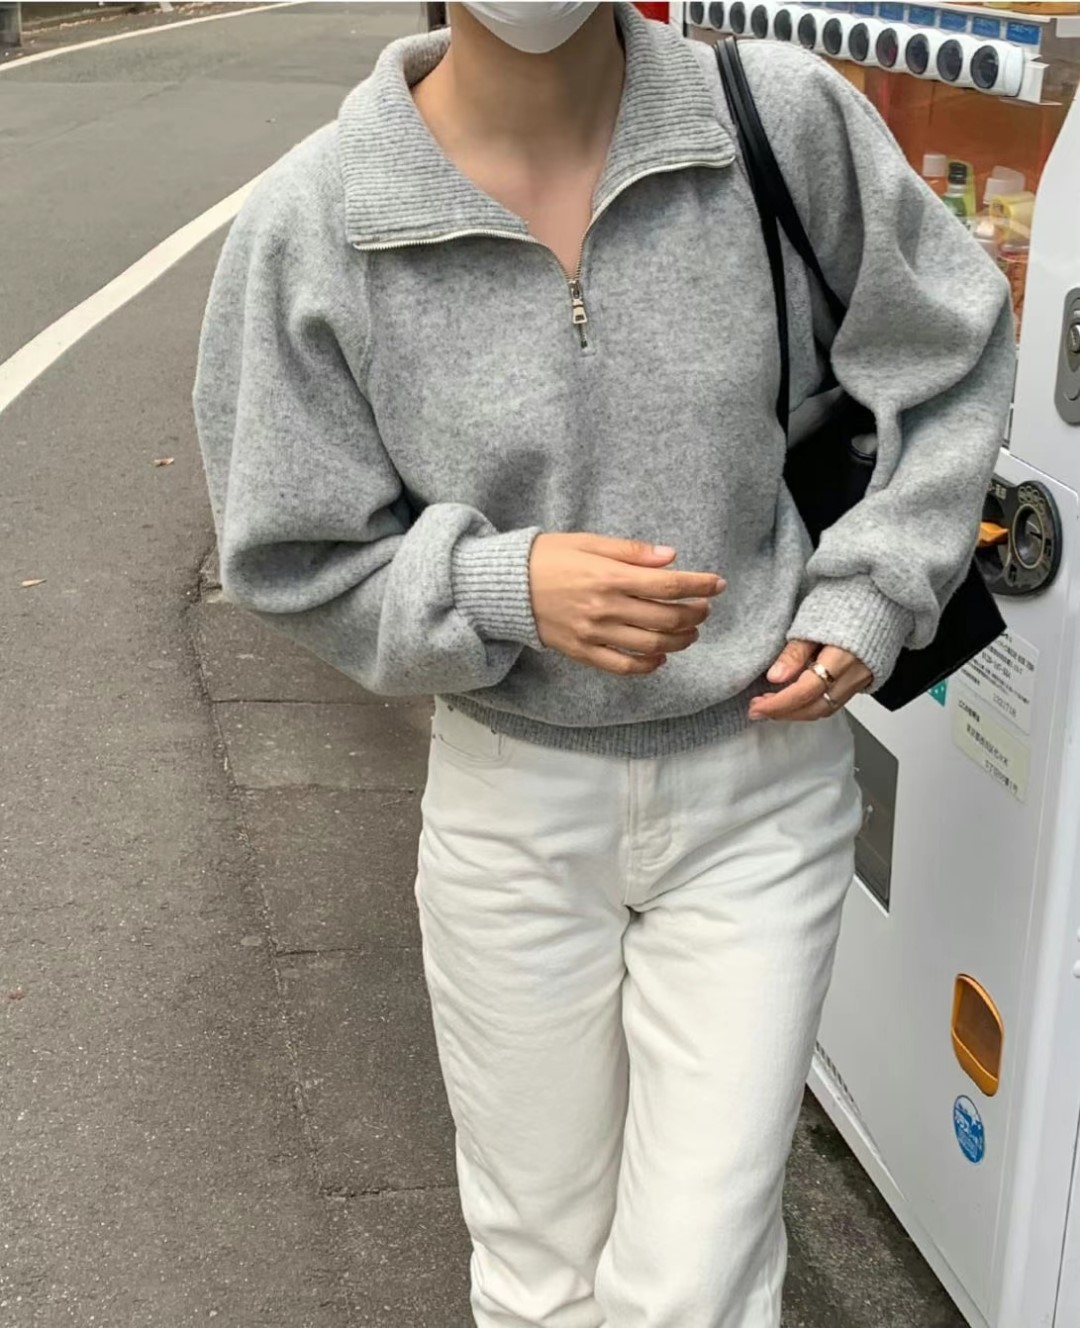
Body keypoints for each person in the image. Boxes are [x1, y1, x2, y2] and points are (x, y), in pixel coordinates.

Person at [192, 3, 1015, 1324]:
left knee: (695, 1283)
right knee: (537, 1272)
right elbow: (288, 552)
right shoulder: (320, 218)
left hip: (762, 789)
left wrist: (875, 589)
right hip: (512, 805)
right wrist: (500, 584)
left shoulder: (775, 118)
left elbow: (950, 346)